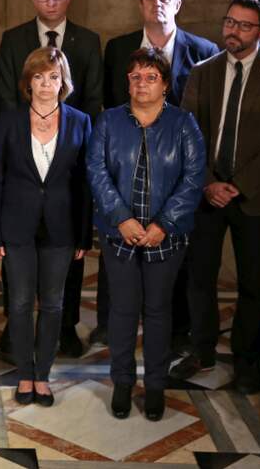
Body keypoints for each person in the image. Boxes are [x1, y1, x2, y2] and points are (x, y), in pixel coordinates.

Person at [175, 0, 260, 394]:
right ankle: (202, 350)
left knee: (251, 283)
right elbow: (189, 131)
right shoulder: (204, 71)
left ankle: (245, 363)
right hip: (206, 193)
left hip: (254, 197)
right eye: (230, 22)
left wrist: (238, 186)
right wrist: (209, 181)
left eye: (244, 25)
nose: (233, 30)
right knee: (200, 277)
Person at [94, 0, 219, 349]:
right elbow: (110, 107)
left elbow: (207, 117)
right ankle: (110, 326)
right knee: (117, 263)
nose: (158, 3)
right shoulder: (117, 49)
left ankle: (176, 334)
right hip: (125, 170)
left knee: (175, 263)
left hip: (176, 174)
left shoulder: (204, 52)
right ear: (141, 3)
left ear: (178, 3)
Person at [87, 47, 205, 421]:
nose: (141, 83)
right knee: (122, 311)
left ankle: (155, 385)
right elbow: (97, 171)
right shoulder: (108, 121)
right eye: (135, 76)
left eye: (150, 77)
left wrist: (163, 224)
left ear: (165, 85)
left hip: (165, 236)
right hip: (118, 233)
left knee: (157, 311)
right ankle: (122, 382)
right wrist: (121, 218)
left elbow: (193, 179)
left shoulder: (184, 124)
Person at [0, 0, 101, 357]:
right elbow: (6, 92)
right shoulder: (13, 39)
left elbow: (91, 98)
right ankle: (14, 322)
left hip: (68, 150)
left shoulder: (88, 41)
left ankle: (67, 325)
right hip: (24, 145)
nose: (50, 1)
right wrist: (22, 133)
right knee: (18, 256)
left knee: (65, 248)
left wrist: (72, 133)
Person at [0, 47, 91, 407]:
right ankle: (24, 373)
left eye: (53, 77)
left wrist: (83, 233)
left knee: (53, 304)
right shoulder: (10, 120)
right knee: (18, 303)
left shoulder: (80, 121)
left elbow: (84, 184)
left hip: (62, 227)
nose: (46, 84)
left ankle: (43, 374)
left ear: (63, 82)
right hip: (16, 224)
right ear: (28, 82)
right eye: (39, 77)